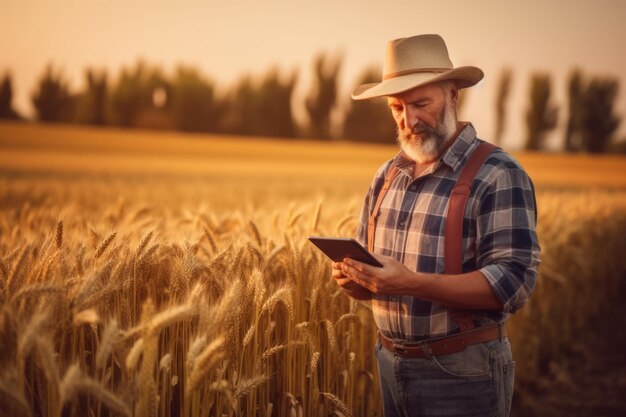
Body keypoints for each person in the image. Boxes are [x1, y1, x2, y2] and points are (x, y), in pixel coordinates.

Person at [331, 34, 541, 417]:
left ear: (453, 95)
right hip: (390, 363)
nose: (408, 120)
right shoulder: (387, 175)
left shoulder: (498, 173)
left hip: (462, 371)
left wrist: (410, 282)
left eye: (420, 103)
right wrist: (356, 279)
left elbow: (513, 283)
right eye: (396, 107)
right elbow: (377, 275)